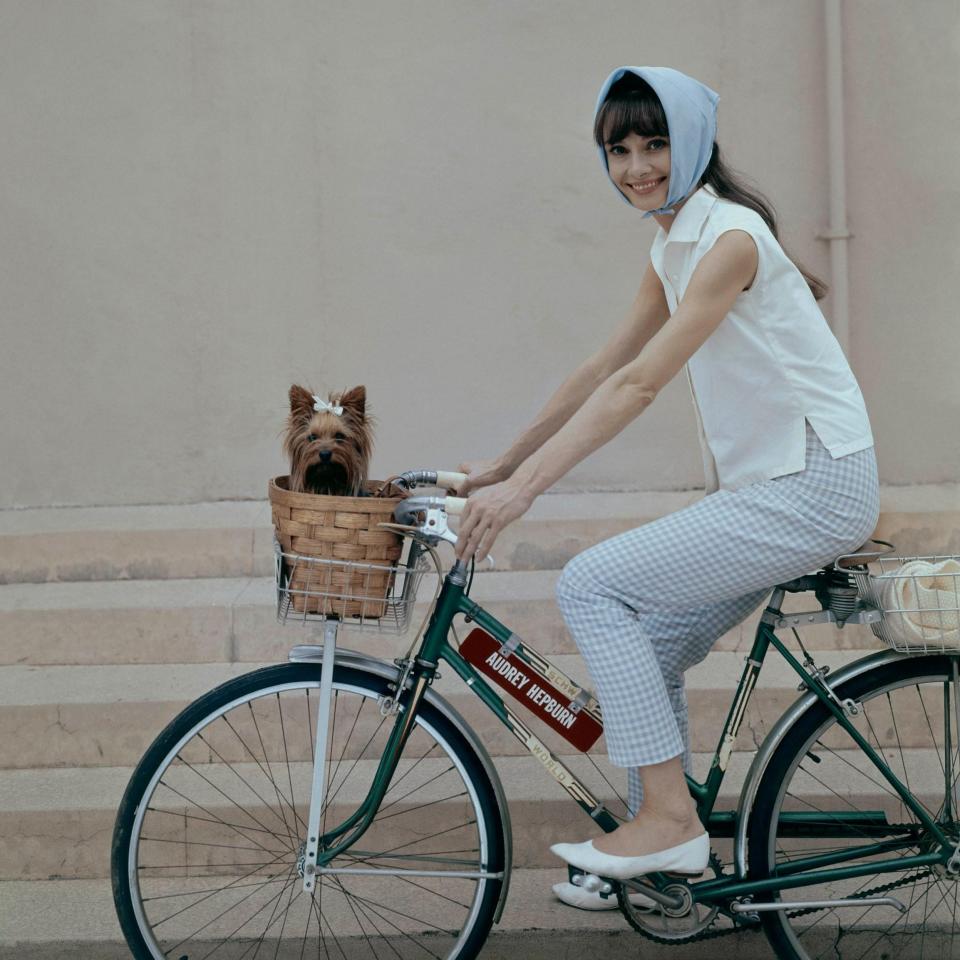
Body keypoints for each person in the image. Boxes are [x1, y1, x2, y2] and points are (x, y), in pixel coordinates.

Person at [453, 65, 878, 910]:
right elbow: (602, 367)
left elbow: (640, 385)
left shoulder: (732, 241)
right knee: (647, 641)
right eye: (620, 149)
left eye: (656, 144)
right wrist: (502, 464)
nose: (638, 165)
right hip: (772, 487)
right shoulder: (673, 241)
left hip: (814, 486)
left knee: (593, 584)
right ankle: (668, 842)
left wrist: (524, 494)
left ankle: (669, 823)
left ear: (694, 147)